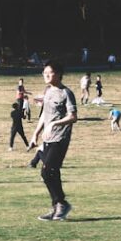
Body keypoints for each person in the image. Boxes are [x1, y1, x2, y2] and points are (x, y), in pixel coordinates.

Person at [29, 61, 77, 221]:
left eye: (49, 73)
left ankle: (61, 204)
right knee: (49, 173)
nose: (46, 75)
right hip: (48, 138)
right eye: (44, 73)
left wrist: (55, 124)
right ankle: (58, 206)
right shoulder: (48, 92)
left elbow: (73, 117)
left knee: (48, 171)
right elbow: (44, 114)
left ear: (58, 74)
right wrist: (36, 133)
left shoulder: (66, 93)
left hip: (60, 138)